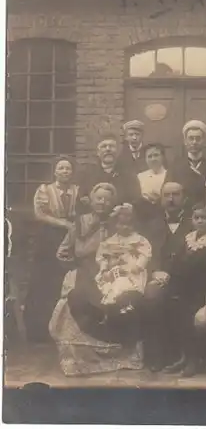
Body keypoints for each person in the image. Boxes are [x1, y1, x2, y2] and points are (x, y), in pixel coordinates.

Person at [49, 183, 148, 376]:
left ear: (113, 203)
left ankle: (119, 354)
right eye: (99, 198)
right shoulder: (80, 223)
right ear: (91, 201)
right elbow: (62, 252)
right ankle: (80, 359)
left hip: (112, 273)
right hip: (84, 271)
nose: (103, 202)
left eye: (108, 199)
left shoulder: (120, 222)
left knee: (121, 301)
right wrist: (75, 267)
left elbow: (133, 247)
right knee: (76, 299)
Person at [157, 204, 206, 377]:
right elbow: (178, 263)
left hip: (204, 290)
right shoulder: (189, 238)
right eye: (196, 217)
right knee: (177, 317)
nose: (199, 221)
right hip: (184, 287)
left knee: (194, 320)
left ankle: (195, 360)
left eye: (204, 218)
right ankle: (184, 356)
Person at [24, 155, 79, 343]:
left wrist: (72, 228)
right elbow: (40, 214)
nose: (65, 171)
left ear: (72, 172)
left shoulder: (77, 191)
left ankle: (62, 331)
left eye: (68, 168)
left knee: (63, 282)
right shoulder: (45, 190)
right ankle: (38, 333)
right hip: (48, 238)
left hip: (70, 238)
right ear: (55, 171)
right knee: (43, 282)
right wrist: (64, 223)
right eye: (61, 168)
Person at [142, 182, 193, 372]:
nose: (171, 199)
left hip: (186, 278)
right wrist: (155, 270)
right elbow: (144, 253)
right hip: (158, 277)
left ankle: (186, 355)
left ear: (184, 198)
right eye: (167, 195)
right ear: (161, 199)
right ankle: (157, 356)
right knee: (151, 298)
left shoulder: (194, 222)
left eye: (176, 194)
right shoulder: (151, 226)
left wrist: (175, 273)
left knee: (184, 300)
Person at [95, 203, 151, 312]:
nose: (125, 227)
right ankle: (112, 305)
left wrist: (138, 266)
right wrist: (104, 268)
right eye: (121, 224)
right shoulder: (110, 241)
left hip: (132, 269)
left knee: (125, 284)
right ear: (115, 224)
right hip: (114, 267)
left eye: (129, 224)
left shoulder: (139, 240)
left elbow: (145, 254)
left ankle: (126, 303)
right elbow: (102, 256)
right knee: (111, 284)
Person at [77, 133, 141, 212]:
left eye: (112, 146)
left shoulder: (129, 175)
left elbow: (136, 201)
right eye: (104, 146)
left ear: (118, 151)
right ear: (98, 152)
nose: (108, 149)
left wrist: (125, 208)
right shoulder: (88, 175)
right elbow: (81, 202)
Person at [170, 120, 206, 211]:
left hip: (204, 217)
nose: (194, 142)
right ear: (185, 141)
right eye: (191, 138)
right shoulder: (175, 168)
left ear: (203, 141)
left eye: (198, 138)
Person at [136, 143, 172, 220]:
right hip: (144, 216)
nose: (153, 159)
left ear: (162, 157)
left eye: (156, 155)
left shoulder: (169, 175)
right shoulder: (140, 176)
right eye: (149, 156)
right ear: (145, 159)